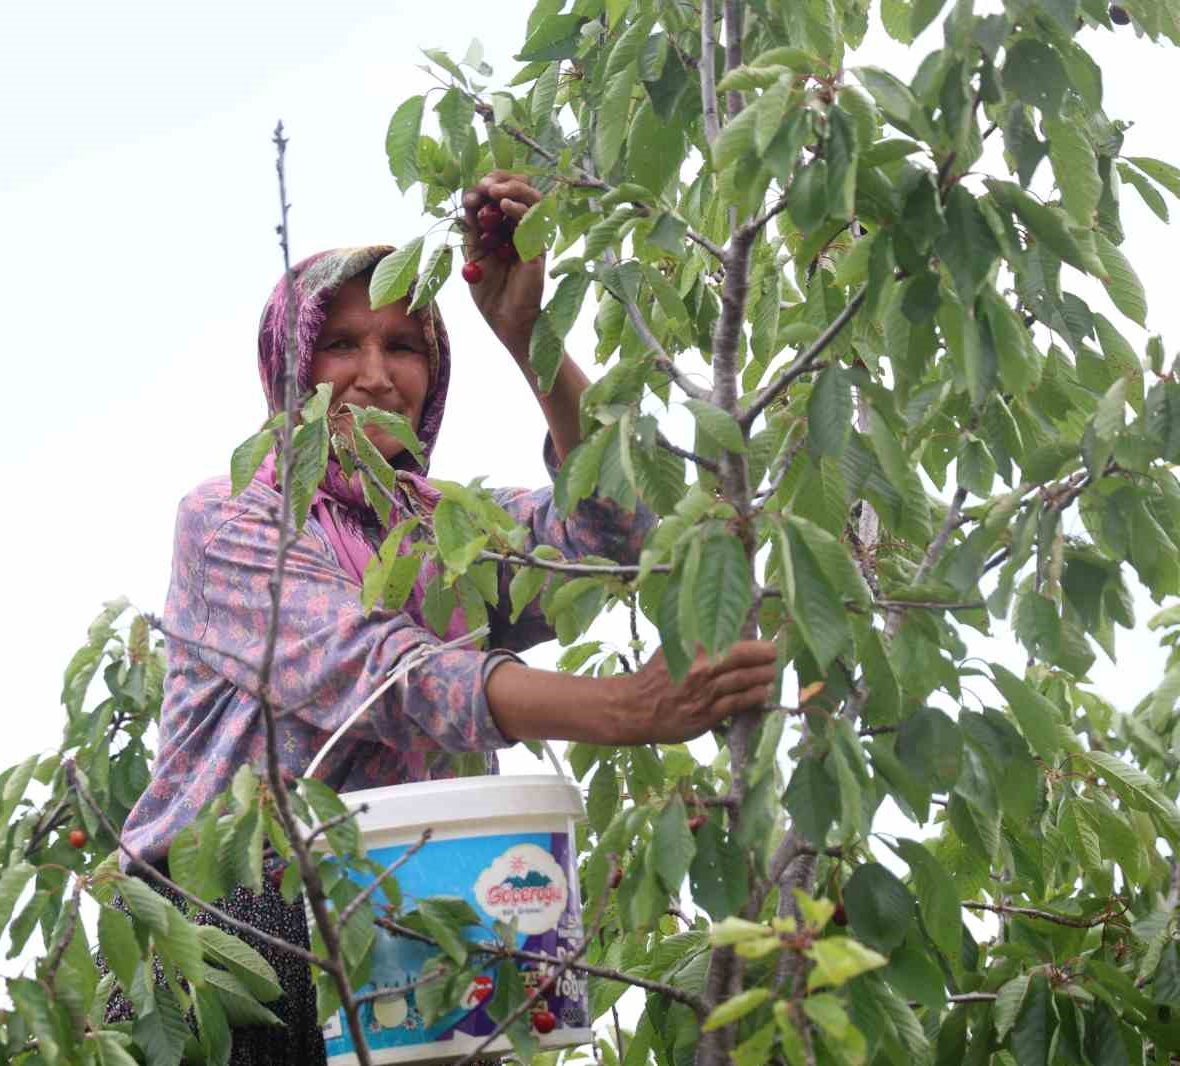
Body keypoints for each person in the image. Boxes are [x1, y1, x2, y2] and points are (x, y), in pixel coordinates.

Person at [112, 172, 777, 1063]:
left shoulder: (449, 533)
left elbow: (616, 535)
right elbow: (384, 672)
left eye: (404, 345)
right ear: (291, 365)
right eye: (341, 345)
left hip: (420, 929)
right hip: (236, 938)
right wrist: (624, 711)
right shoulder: (232, 518)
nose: (377, 375)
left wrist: (528, 333)